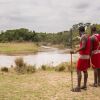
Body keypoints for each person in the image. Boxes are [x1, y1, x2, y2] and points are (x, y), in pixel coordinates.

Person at [70, 26, 91, 92]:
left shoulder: (84, 37)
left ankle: (78, 88)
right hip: (87, 56)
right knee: (85, 71)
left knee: (78, 70)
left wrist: (75, 51)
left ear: (79, 31)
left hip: (83, 57)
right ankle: (84, 85)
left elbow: (83, 46)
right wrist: (79, 38)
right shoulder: (87, 36)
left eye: (78, 31)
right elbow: (84, 44)